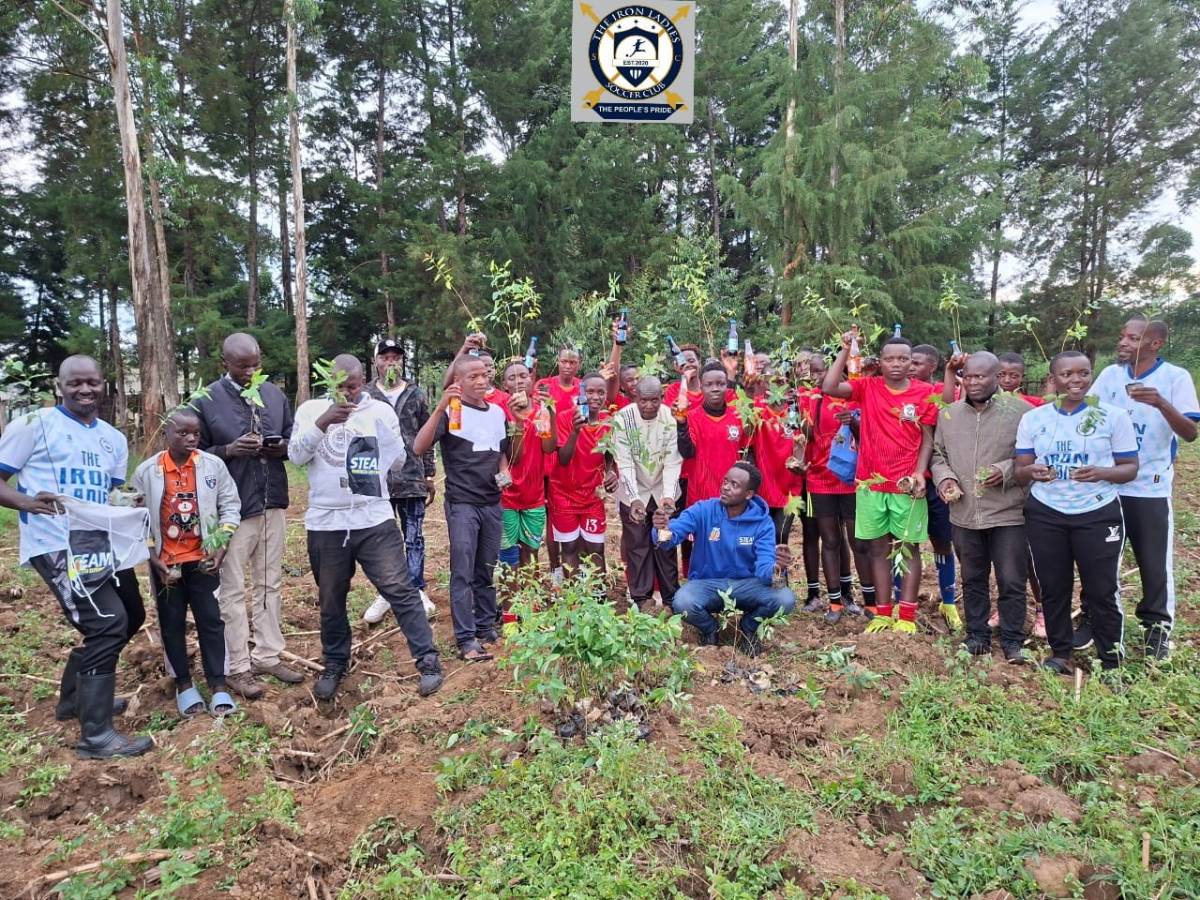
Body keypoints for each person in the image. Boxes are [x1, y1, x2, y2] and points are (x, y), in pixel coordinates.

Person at [0, 355, 154, 758]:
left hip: (100, 544)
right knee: (107, 623)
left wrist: (129, 505)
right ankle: (96, 735)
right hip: (56, 544)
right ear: (59, 385)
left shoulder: (113, 439)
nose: (85, 390)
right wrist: (28, 502)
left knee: (131, 615)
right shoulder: (34, 426)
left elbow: (108, 496)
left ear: (104, 384)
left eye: (92, 383)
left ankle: (74, 700)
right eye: (75, 384)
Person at [289, 355, 443, 700]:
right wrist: (323, 423)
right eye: (340, 387)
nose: (347, 394)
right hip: (325, 521)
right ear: (328, 383)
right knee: (330, 598)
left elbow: (399, 459)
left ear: (364, 380)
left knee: (399, 588)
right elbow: (296, 456)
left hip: (372, 517)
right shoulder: (310, 410)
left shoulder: (379, 411)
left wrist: (373, 457)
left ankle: (428, 660)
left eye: (354, 387)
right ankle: (334, 663)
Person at [193, 333, 302, 699]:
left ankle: (268, 654)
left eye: (256, 364)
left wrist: (280, 448)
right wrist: (229, 449)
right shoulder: (207, 400)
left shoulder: (273, 395)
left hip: (272, 501)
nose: (251, 371)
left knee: (270, 582)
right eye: (243, 366)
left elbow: (291, 440)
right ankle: (237, 666)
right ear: (225, 363)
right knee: (232, 589)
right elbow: (193, 452)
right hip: (231, 510)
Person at [1016, 351, 1139, 676]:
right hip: (1047, 512)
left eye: (1083, 373)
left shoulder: (1112, 416)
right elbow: (1020, 469)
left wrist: (1101, 472)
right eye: (1067, 375)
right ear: (1053, 379)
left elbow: (1129, 468)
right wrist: (1034, 472)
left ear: (1091, 375)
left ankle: (1111, 658)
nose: (1076, 380)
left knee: (1101, 589)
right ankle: (1061, 653)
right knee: (1054, 586)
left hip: (1096, 512)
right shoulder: (1035, 419)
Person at [1088, 318, 1199, 660]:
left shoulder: (1175, 378)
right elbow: (1086, 417)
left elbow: (1191, 432)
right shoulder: (1109, 376)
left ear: (1154, 344)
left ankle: (1158, 629)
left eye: (1132, 338)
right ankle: (1098, 621)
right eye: (1122, 335)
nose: (1122, 342)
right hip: (1108, 485)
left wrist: (1162, 404)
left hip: (1148, 487)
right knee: (1101, 559)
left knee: (1153, 562)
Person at [822, 332, 937, 635]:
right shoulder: (867, 387)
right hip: (870, 485)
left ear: (911, 362)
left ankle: (907, 617)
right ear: (880, 362)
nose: (896, 364)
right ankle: (883, 613)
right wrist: (846, 349)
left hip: (906, 486)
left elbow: (927, 439)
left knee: (908, 550)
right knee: (877, 550)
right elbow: (829, 386)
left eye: (903, 359)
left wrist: (919, 473)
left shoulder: (924, 393)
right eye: (889, 358)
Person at [131, 408, 242, 716]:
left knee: (211, 621)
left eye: (196, 433)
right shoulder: (147, 472)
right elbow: (136, 521)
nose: (191, 438)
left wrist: (220, 546)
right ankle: (184, 685)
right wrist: (153, 558)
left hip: (204, 560)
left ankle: (218, 685)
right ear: (166, 433)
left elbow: (231, 507)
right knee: (171, 623)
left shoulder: (213, 466)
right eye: (183, 433)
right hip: (166, 566)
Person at [930, 353, 1032, 663]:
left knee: (1012, 579)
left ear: (998, 377)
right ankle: (977, 636)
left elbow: (1033, 456)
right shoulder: (949, 416)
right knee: (973, 577)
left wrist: (1007, 470)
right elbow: (937, 455)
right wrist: (945, 480)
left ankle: (1013, 640)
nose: (973, 383)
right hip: (963, 513)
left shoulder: (1021, 413)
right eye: (968, 377)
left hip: (1008, 512)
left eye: (981, 377)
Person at [414, 354, 510, 662]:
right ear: (458, 382)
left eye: (484, 375)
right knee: (463, 571)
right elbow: (419, 446)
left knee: (486, 568)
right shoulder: (451, 412)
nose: (481, 381)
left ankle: (485, 625)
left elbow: (502, 450)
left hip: (492, 503)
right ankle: (466, 638)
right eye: (473, 377)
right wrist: (441, 406)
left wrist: (504, 473)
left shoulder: (497, 412)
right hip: (463, 504)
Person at [653, 462, 796, 657]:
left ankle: (749, 627)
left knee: (785, 598)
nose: (726, 487)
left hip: (747, 586)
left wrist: (777, 567)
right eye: (725, 481)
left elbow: (764, 571)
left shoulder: (763, 523)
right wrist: (662, 530)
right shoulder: (704, 510)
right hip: (708, 585)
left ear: (749, 494)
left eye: (734, 485)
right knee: (683, 602)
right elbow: (672, 537)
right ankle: (711, 629)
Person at [363, 338, 438, 624]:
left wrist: (429, 474)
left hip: (411, 478)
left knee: (414, 537)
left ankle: (416, 587)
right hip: (377, 479)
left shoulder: (416, 394)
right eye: (385, 357)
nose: (391, 362)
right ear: (376, 362)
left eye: (396, 357)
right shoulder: (366, 395)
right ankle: (386, 592)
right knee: (381, 539)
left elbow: (427, 436)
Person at [801, 353, 873, 623]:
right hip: (820, 478)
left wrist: (852, 422)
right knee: (829, 540)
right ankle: (834, 603)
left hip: (853, 480)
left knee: (858, 541)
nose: (817, 377)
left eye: (821, 370)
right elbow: (806, 436)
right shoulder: (812, 400)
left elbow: (868, 436)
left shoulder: (857, 394)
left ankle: (870, 602)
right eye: (813, 373)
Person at [613, 376, 682, 611]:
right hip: (634, 490)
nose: (649, 406)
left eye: (654, 400)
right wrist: (633, 498)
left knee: (665, 542)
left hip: (664, 490)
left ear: (662, 398)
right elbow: (624, 462)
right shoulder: (623, 419)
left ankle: (671, 597)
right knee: (637, 545)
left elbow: (673, 461)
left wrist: (669, 497)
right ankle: (642, 598)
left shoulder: (671, 418)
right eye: (644, 400)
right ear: (636, 398)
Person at [552, 372, 616, 575]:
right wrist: (575, 431)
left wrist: (610, 472)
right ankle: (573, 601)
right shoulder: (565, 418)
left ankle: (598, 599)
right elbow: (562, 459)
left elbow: (609, 455)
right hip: (563, 494)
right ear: (581, 392)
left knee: (596, 548)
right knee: (569, 548)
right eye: (590, 391)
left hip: (592, 497)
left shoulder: (609, 422)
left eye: (600, 392)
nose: (595, 397)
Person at [498, 360, 556, 569]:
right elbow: (513, 455)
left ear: (532, 379)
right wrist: (518, 422)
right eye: (512, 377)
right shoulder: (499, 413)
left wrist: (551, 412)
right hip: (507, 496)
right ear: (505, 385)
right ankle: (509, 600)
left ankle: (530, 600)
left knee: (530, 552)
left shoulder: (541, 413)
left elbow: (548, 447)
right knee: (509, 554)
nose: (519, 381)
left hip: (534, 496)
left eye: (523, 376)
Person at [676, 362, 748, 503]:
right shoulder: (691, 417)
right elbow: (687, 452)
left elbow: (748, 448)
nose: (715, 389)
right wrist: (681, 424)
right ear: (701, 387)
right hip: (700, 496)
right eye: (709, 384)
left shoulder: (738, 415)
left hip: (731, 496)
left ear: (727, 385)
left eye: (720, 384)